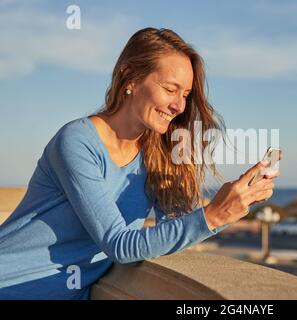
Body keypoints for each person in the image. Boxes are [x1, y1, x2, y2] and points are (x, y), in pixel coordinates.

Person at [0, 27, 279, 299]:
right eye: (170, 89)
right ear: (130, 77)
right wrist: (216, 214)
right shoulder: (77, 142)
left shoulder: (158, 154)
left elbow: (175, 227)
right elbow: (120, 245)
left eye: (185, 95)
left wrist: (236, 200)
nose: (179, 107)